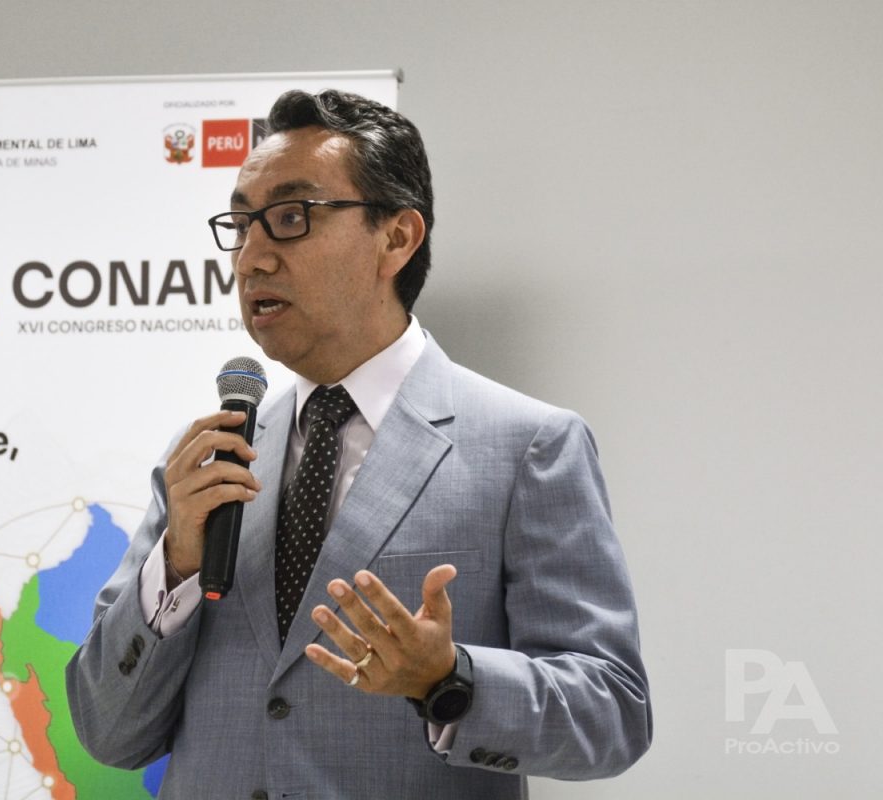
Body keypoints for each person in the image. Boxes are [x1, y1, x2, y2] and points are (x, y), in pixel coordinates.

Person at [66, 89, 651, 798]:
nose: (251, 259)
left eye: (290, 218)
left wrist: (449, 680)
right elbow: (107, 731)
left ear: (396, 237)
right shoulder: (210, 462)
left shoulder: (527, 446)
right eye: (241, 226)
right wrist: (178, 564)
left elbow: (611, 714)